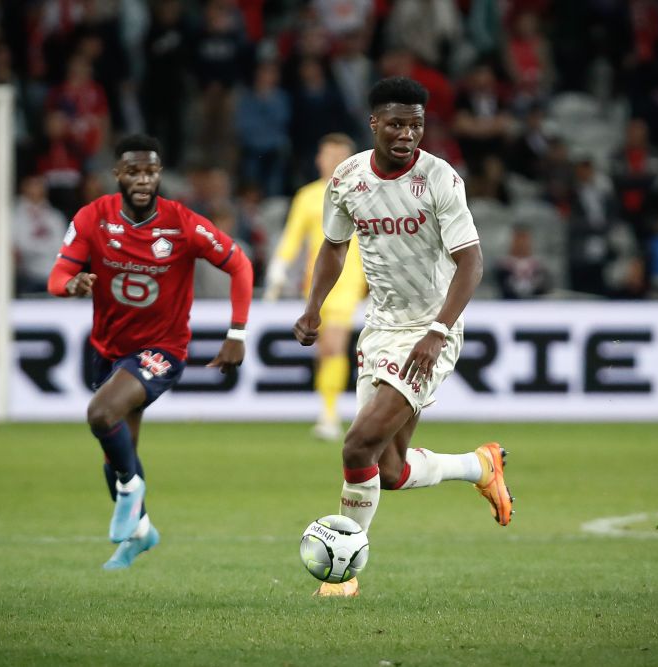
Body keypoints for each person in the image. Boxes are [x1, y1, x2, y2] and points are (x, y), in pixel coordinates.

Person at [293, 77, 514, 598]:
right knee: (387, 469)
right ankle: (478, 465)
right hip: (382, 327)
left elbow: (471, 263)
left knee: (357, 442)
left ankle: (342, 574)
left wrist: (437, 332)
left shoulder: (440, 179)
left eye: (415, 124)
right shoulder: (348, 178)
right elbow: (332, 247)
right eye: (395, 123)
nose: (407, 134)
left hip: (431, 331)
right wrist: (312, 307)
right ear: (374, 124)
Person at [47, 134, 253, 570]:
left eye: (151, 171)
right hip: (109, 348)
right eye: (134, 171)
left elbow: (240, 264)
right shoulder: (93, 218)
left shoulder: (183, 223)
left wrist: (237, 333)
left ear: (160, 175)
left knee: (101, 415)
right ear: (118, 174)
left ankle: (129, 491)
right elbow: (58, 274)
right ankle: (141, 532)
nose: (143, 179)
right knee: (116, 448)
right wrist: (72, 284)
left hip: (162, 349)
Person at [266, 133, 366, 440]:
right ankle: (331, 408)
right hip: (317, 286)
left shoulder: (364, 194)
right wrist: (278, 269)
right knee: (324, 351)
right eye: (328, 155)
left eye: (340, 155)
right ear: (318, 159)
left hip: (351, 282)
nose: (333, 161)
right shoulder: (307, 196)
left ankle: (330, 417)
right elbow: (293, 236)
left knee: (334, 344)